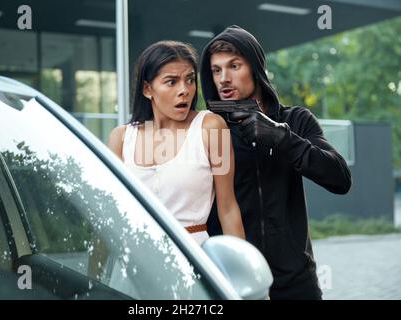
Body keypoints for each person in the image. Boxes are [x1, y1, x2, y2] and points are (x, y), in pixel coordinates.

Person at [200, 25, 352, 299]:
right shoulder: (209, 129)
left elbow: (340, 179)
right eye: (216, 70)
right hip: (233, 279)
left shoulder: (296, 120)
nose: (224, 78)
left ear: (256, 68)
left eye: (234, 66)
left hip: (296, 280)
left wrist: (280, 137)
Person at [108, 40, 245, 245]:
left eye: (190, 80)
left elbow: (227, 208)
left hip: (191, 256)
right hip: (132, 262)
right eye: (171, 82)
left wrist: (242, 272)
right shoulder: (120, 138)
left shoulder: (212, 128)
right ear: (147, 89)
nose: (185, 90)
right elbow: (109, 215)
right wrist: (95, 275)